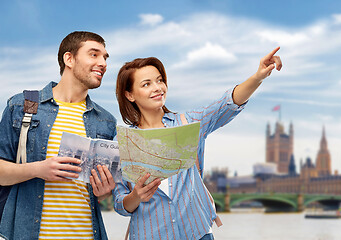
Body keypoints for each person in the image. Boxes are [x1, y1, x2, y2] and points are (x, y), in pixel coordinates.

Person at [113, 47, 282, 240]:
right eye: (146, 84)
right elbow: (120, 204)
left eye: (160, 80)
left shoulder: (190, 123)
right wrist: (136, 195)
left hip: (197, 233)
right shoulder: (122, 144)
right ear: (129, 95)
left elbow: (226, 104)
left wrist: (258, 76)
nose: (157, 87)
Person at [0, 31, 117, 240]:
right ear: (69, 59)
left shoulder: (106, 121)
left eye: (105, 57)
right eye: (94, 54)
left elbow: (99, 194)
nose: (103, 63)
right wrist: (38, 169)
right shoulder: (23, 105)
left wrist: (105, 190)